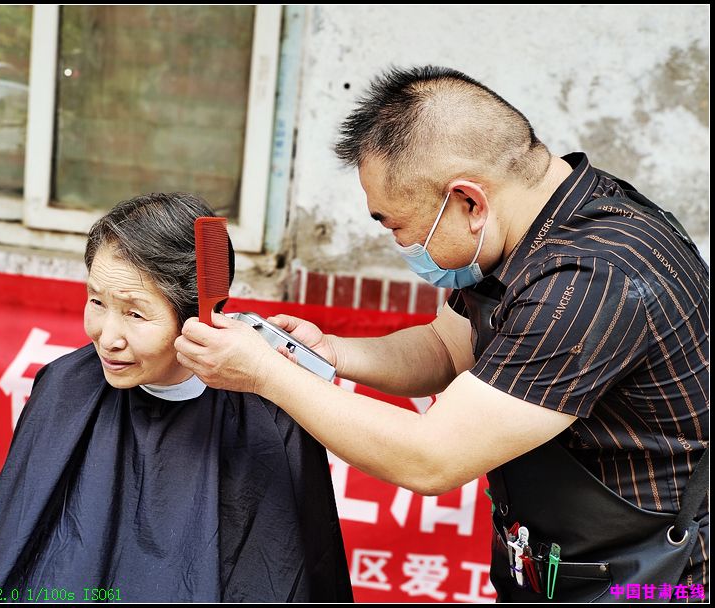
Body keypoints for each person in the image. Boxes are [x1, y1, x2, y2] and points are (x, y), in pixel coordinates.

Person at [175, 67, 709, 602]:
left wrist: (266, 375)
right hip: (562, 563)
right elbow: (446, 348)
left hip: (654, 579)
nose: (401, 245)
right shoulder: (534, 222)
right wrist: (332, 352)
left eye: (395, 224)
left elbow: (430, 457)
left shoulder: (591, 281)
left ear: (469, 202)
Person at [0, 192, 353, 603]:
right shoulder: (64, 387)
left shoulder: (268, 414)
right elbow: (8, 551)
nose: (107, 338)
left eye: (135, 313)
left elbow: (282, 571)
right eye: (96, 301)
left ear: (197, 314)